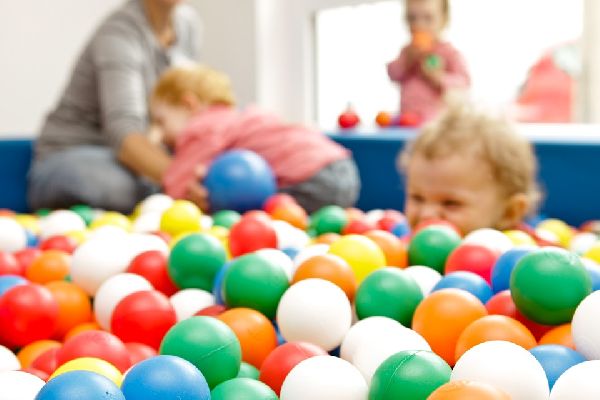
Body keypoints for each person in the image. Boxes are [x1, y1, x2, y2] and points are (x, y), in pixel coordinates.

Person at [28, 0, 201, 213]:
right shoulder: (119, 32)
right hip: (72, 158)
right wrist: (181, 179)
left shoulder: (188, 25)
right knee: (128, 184)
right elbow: (124, 133)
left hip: (134, 160)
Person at [151, 64, 360, 213]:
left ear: (189, 105)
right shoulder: (238, 118)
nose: (160, 133)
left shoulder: (201, 127)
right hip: (342, 167)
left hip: (310, 178)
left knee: (249, 206)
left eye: (161, 121)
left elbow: (176, 182)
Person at [398, 103, 541, 235]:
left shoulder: (526, 250)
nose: (426, 214)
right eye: (417, 198)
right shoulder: (401, 245)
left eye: (450, 203)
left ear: (509, 213)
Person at [387, 0, 470, 124]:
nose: (419, 25)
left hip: (436, 123)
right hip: (408, 119)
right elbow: (393, 74)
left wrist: (439, 77)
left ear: (444, 20)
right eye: (412, 18)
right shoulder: (407, 51)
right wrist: (406, 61)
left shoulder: (448, 52)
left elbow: (464, 83)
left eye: (428, 18)